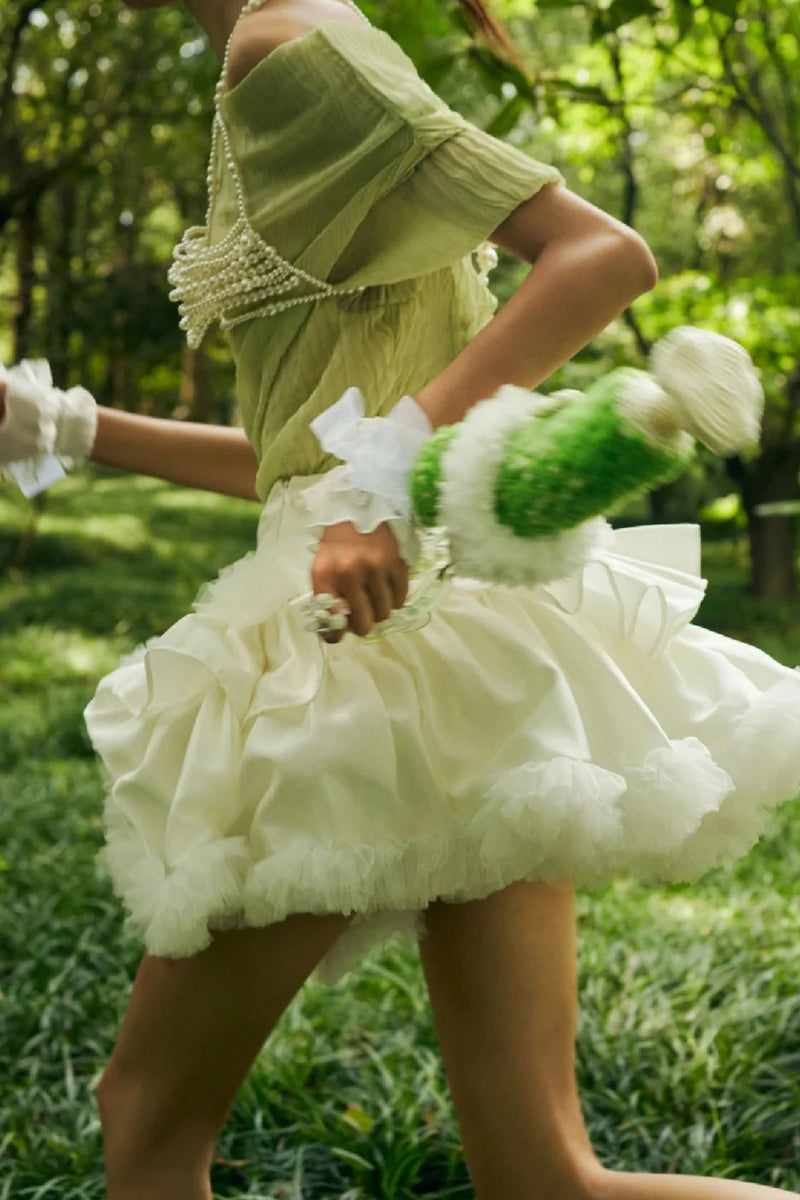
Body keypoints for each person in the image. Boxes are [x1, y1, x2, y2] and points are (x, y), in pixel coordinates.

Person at [2, 1, 800, 1198]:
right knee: (544, 1180)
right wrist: (68, 427)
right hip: (456, 640)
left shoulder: (287, 44)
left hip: (372, 643)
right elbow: (298, 450)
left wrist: (379, 486)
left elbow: (600, 256)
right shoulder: (297, 49)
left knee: (146, 1119)